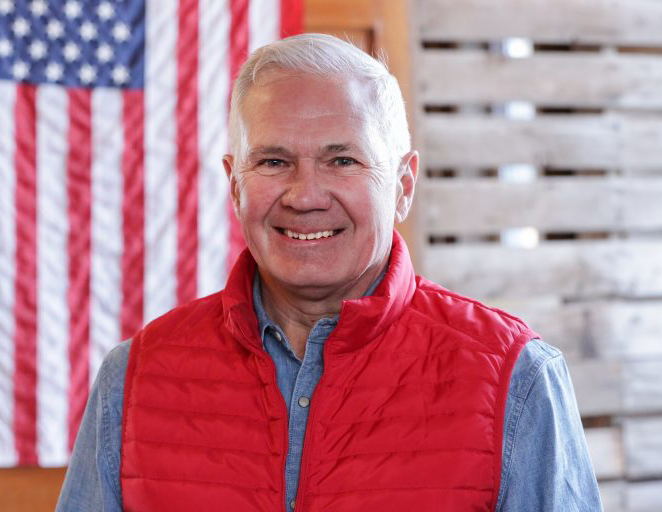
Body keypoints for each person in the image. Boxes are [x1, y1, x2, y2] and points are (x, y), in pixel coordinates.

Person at [57, 34, 602, 511]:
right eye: (273, 161)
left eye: (343, 160)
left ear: (403, 185)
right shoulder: (132, 379)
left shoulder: (516, 379)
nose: (306, 196)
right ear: (234, 184)